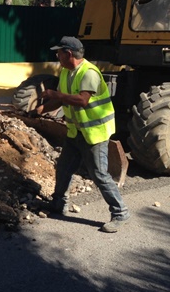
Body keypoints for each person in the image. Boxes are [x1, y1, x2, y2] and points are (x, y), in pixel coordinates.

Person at [38, 37, 130, 233]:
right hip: (76, 131)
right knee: (64, 167)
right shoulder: (65, 72)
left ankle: (120, 212)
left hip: (95, 133)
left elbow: (82, 101)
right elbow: (63, 101)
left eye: (59, 52)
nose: (57, 56)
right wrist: (41, 109)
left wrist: (55, 95)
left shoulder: (89, 73)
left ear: (69, 54)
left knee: (99, 174)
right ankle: (58, 203)